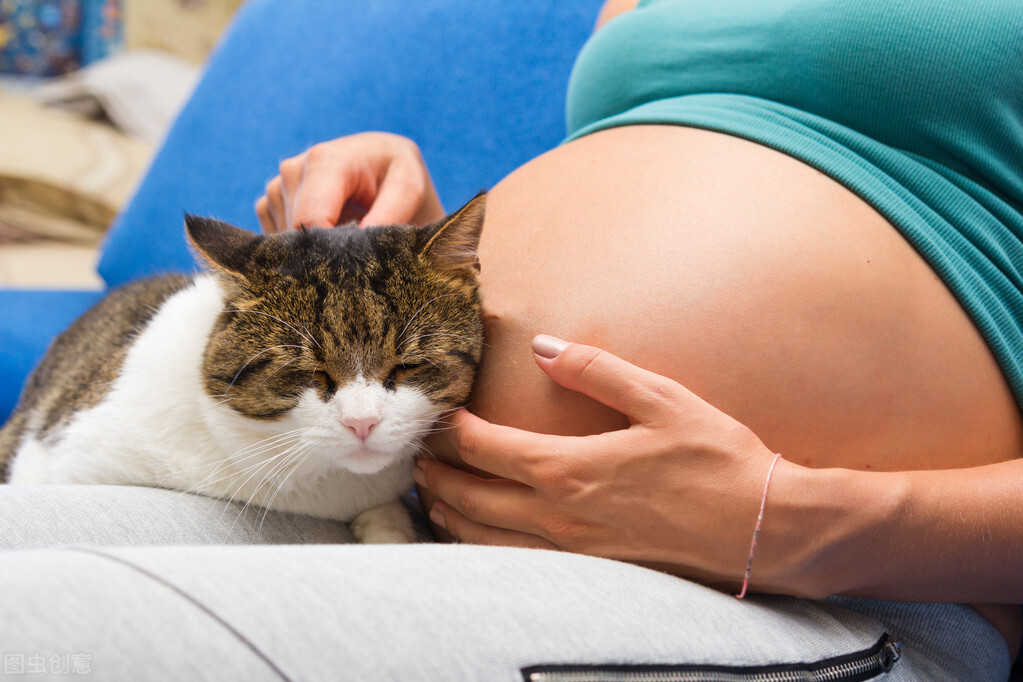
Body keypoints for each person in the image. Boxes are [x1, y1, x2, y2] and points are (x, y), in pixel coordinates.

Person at [2, 0, 1020, 679]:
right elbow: (655, 161)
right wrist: (412, 274)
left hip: (810, 586)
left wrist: (793, 520)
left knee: (41, 635)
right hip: (407, 499)